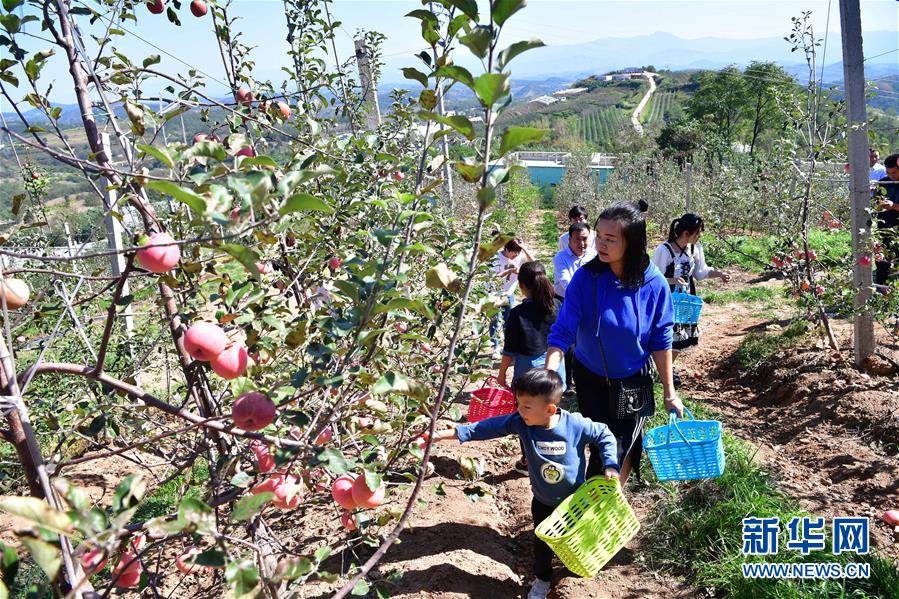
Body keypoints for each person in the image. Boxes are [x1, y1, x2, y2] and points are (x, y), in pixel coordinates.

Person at [432, 369, 619, 599]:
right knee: (542, 547)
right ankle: (542, 580)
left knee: (577, 540)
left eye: (526, 406)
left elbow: (605, 434)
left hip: (575, 503)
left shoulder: (575, 425)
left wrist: (610, 464)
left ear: (549, 409)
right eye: (518, 404)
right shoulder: (522, 423)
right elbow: (487, 428)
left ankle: (573, 575)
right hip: (543, 502)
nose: (520, 410)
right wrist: (450, 433)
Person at [545, 201, 684, 484]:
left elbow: (661, 337)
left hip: (633, 380)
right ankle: (597, 505)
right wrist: (549, 375)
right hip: (590, 378)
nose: (601, 244)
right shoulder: (586, 278)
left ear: (632, 242)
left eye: (611, 239)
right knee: (599, 447)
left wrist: (669, 391)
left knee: (626, 445)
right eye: (599, 236)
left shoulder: (653, 283)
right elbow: (562, 331)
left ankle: (613, 499)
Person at [498, 261, 565, 474]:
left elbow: (509, 350)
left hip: (528, 371)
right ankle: (555, 453)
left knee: (527, 416)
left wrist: (501, 375)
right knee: (551, 413)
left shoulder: (518, 314)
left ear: (521, 286)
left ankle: (529, 461)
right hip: (555, 367)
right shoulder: (558, 306)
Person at [650, 214, 730, 388]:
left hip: (685, 300)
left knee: (681, 336)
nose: (699, 237)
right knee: (666, 335)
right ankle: (661, 371)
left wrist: (719, 274)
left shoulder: (694, 249)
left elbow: (700, 272)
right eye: (697, 233)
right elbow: (653, 278)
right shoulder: (664, 251)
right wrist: (671, 280)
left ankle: (666, 370)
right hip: (666, 300)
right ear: (686, 233)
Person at [552, 222, 596, 392]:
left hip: (589, 303)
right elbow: (566, 283)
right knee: (568, 343)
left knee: (585, 341)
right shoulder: (561, 257)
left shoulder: (593, 256)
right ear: (569, 239)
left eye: (585, 239)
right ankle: (568, 381)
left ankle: (584, 380)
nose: (582, 244)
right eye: (578, 240)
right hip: (565, 303)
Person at [490, 239, 534, 354]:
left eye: (518, 252)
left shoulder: (518, 257)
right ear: (507, 249)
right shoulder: (496, 257)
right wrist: (511, 270)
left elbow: (534, 263)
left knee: (509, 321)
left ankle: (508, 346)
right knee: (495, 321)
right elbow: (493, 277)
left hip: (509, 294)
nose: (516, 255)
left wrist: (524, 248)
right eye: (514, 252)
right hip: (494, 294)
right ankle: (495, 347)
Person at [873, 153, 899, 288]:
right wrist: (877, 205)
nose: (891, 176)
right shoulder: (884, 182)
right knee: (882, 260)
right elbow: (874, 203)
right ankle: (881, 288)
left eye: (894, 173)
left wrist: (893, 206)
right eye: (889, 172)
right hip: (884, 227)